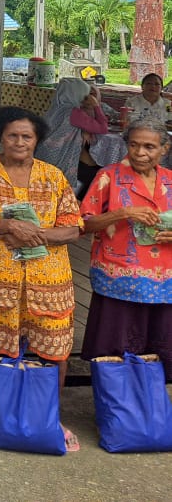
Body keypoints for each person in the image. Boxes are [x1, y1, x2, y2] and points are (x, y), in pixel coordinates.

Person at [0, 106, 83, 452]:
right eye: (12, 135)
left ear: (37, 140)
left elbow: (73, 228)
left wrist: (34, 234)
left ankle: (49, 419)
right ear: (1, 136)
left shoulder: (53, 176)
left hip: (47, 281)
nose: (19, 142)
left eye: (27, 136)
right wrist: (10, 225)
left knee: (53, 350)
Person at [80, 117, 172, 382]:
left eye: (149, 147)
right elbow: (83, 223)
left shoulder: (170, 180)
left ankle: (149, 401)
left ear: (164, 149)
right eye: (134, 145)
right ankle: (116, 403)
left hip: (165, 283)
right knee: (115, 351)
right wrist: (123, 213)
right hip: (118, 279)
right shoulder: (108, 176)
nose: (140, 153)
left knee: (160, 349)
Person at [36, 78, 108, 190]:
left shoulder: (57, 107)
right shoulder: (74, 113)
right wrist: (96, 106)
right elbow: (103, 128)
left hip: (43, 153)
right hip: (59, 158)